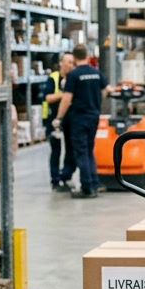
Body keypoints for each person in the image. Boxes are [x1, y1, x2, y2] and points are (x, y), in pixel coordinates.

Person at [52, 44, 104, 199]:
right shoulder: (96, 73)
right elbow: (106, 90)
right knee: (89, 150)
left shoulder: (74, 75)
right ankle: (94, 183)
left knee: (81, 152)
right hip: (93, 116)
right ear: (87, 55)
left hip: (79, 119)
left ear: (74, 57)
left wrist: (59, 118)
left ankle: (87, 187)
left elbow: (66, 99)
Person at [43, 52, 76, 192]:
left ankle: (66, 176)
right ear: (61, 63)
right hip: (54, 120)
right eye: (67, 62)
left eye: (72, 62)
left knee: (71, 149)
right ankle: (55, 180)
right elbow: (48, 97)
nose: (70, 65)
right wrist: (64, 94)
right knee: (56, 150)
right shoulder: (53, 78)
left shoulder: (74, 78)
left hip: (70, 119)